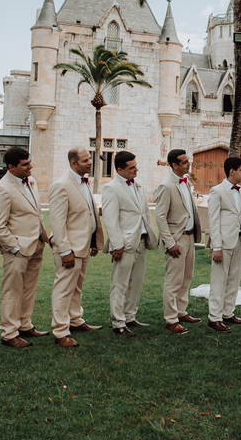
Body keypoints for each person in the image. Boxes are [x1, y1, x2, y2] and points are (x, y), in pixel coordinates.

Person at [0, 146, 50, 347]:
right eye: (25, 164)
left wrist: (42, 238)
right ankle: (9, 333)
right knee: (12, 291)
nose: (30, 167)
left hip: (36, 245)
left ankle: (25, 324)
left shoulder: (30, 181)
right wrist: (15, 247)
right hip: (17, 250)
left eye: (29, 162)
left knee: (29, 288)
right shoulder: (2, 189)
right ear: (11, 167)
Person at [47, 147, 106, 348]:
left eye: (90, 159)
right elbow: (57, 222)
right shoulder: (61, 185)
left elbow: (87, 214)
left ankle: (75, 319)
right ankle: (60, 331)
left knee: (76, 287)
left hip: (83, 246)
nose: (90, 162)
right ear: (73, 163)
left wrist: (93, 242)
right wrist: (65, 251)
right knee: (63, 289)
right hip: (69, 249)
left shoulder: (83, 182)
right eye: (85, 160)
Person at [101, 151, 158, 337]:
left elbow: (145, 213)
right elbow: (110, 220)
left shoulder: (138, 185)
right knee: (120, 283)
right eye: (132, 167)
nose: (136, 170)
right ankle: (118, 322)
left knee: (136, 282)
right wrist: (117, 245)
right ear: (120, 170)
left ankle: (130, 316)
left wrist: (149, 234)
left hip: (140, 240)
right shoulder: (111, 188)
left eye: (136, 166)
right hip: (124, 244)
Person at [154, 148, 204, 334]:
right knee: (174, 280)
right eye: (184, 162)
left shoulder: (185, 182)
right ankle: (171, 319)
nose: (188, 164)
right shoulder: (166, 186)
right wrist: (170, 243)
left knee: (186, 277)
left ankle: (181, 311)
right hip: (176, 239)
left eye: (188, 161)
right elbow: (160, 217)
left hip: (190, 237)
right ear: (174, 165)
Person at [206, 156, 241, 332]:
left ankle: (227, 312)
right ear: (231, 171)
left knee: (234, 278)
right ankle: (214, 317)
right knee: (219, 279)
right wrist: (216, 247)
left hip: (239, 240)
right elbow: (213, 220)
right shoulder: (217, 191)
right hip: (223, 242)